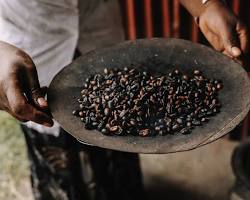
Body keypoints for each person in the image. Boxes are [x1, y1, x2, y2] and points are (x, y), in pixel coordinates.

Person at [0, 0, 248, 200]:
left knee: (121, 159)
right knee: (63, 171)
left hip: (100, 34)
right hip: (31, 43)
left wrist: (204, 5)